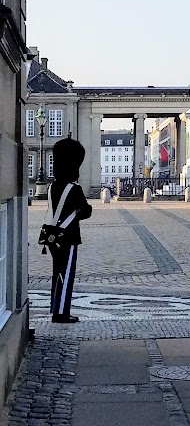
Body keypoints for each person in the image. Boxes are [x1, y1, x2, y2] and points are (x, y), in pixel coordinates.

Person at [47, 136, 92, 324]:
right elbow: (86, 211)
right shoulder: (74, 188)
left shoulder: (52, 186)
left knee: (57, 272)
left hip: (51, 235)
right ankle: (61, 313)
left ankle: (55, 307)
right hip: (69, 236)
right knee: (66, 274)